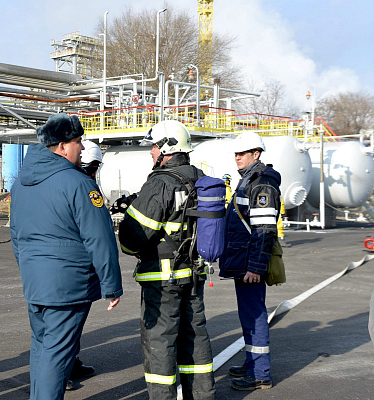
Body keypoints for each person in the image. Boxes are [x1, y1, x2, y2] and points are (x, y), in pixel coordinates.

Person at [10, 113, 123, 400]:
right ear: (62, 146)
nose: (82, 148)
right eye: (77, 141)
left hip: (36, 282)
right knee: (57, 357)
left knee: (42, 349)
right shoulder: (78, 183)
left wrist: (29, 269)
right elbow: (100, 238)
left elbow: (16, 234)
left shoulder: (21, 183)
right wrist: (111, 285)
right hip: (69, 285)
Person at [118, 120, 216, 400]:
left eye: (153, 146)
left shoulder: (161, 182)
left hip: (162, 280)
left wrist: (128, 242)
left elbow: (133, 236)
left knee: (160, 344)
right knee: (195, 337)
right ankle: (203, 395)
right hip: (194, 274)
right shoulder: (200, 178)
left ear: (168, 148)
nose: (150, 152)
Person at [219, 131, 281, 391]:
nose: (237, 158)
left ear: (256, 154)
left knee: (255, 316)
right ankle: (251, 362)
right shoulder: (249, 180)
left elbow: (264, 229)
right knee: (248, 315)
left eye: (242, 153)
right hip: (242, 260)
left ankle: (260, 373)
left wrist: (255, 267)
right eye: (236, 153)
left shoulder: (262, 183)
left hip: (249, 265)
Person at [64, 139, 104, 391]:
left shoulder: (74, 183)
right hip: (73, 266)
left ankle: (71, 362)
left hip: (76, 265)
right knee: (66, 324)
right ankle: (62, 369)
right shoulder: (82, 185)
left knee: (74, 323)